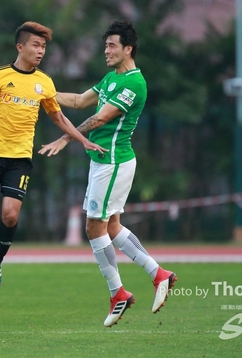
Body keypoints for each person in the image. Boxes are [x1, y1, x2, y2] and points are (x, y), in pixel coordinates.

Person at [0, 21, 107, 293]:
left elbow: (58, 117)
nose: (41, 51)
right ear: (20, 47)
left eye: (43, 46)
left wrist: (82, 140)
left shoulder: (44, 82)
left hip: (20, 158)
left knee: (10, 216)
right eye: (36, 45)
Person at [39, 20, 177, 327]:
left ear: (128, 49)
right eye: (105, 45)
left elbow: (100, 118)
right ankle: (159, 274)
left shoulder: (134, 83)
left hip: (113, 162)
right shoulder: (111, 77)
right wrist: (42, 91)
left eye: (112, 45)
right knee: (111, 227)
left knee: (93, 227)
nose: (106, 50)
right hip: (103, 161)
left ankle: (118, 294)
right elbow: (78, 101)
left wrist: (65, 138)